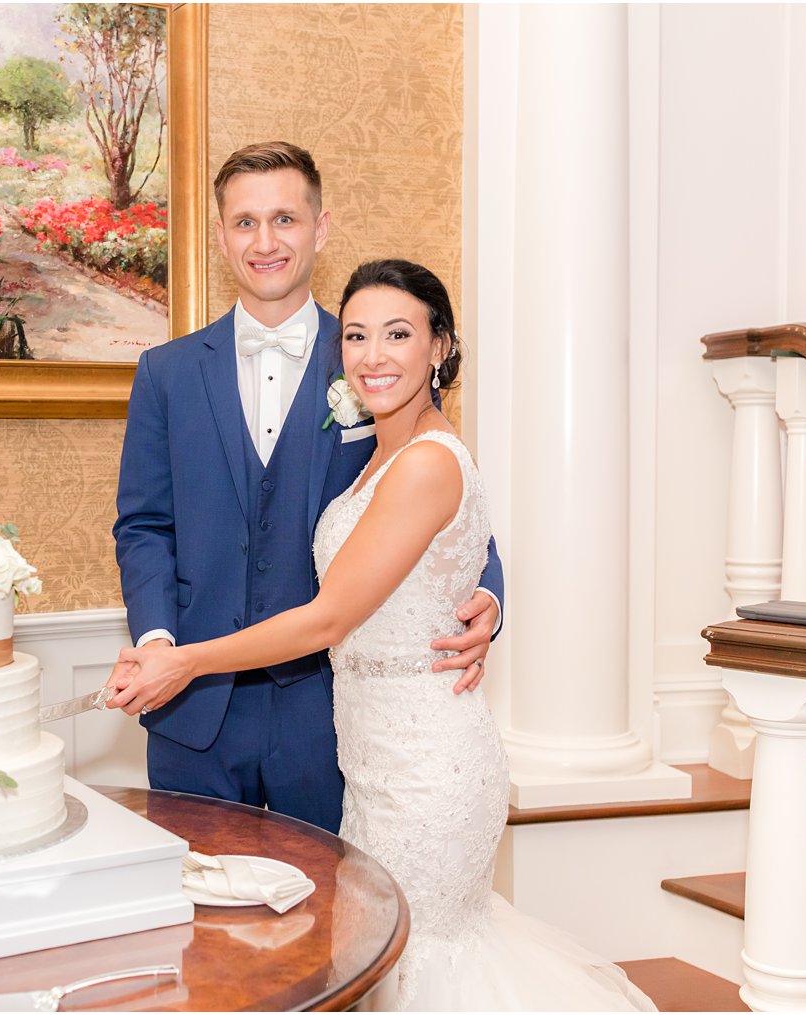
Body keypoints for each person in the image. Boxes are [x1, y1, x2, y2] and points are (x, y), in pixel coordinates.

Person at [108, 260, 654, 1012]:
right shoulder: (378, 450)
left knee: (421, 963)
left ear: (440, 346)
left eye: (398, 334)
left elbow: (333, 613)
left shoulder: (424, 461)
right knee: (371, 957)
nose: (372, 354)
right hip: (369, 762)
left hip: (425, 768)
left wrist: (186, 661)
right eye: (358, 336)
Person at [109, 142, 504, 834]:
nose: (266, 242)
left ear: (320, 229)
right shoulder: (165, 373)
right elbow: (143, 525)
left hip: (325, 715)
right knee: (203, 923)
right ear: (221, 235)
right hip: (190, 707)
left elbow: (446, 499)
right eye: (245, 222)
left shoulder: (375, 357)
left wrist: (490, 596)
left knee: (331, 929)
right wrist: (161, 639)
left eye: (286, 219)